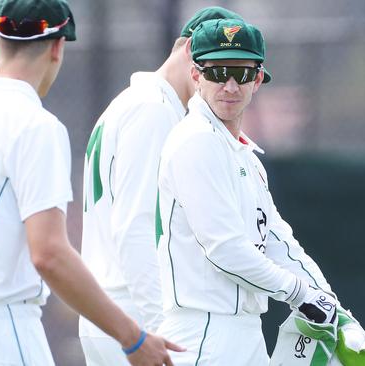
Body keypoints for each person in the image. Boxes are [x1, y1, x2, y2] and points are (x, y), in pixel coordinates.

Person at [0, 0, 182, 365]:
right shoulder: (35, 126)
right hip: (0, 336)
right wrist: (133, 337)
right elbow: (49, 254)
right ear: (57, 47)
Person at [155, 18, 339, 365]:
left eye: (240, 73)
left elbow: (276, 239)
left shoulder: (241, 154)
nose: (229, 85)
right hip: (203, 334)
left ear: (257, 80)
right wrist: (299, 293)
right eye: (217, 71)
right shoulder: (196, 141)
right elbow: (225, 249)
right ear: (196, 75)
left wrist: (330, 302)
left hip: (243, 331)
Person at [79, 7, 244, 366]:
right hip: (134, 315)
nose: (225, 83)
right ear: (188, 51)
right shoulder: (153, 111)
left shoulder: (136, 104)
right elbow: (137, 229)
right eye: (216, 69)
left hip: (115, 312)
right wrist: (159, 332)